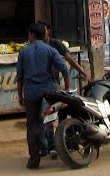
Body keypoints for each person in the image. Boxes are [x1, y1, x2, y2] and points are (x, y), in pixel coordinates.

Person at [17, 22, 69, 170]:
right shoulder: (50, 50)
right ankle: (53, 148)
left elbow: (19, 77)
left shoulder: (23, 52)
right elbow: (64, 69)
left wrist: (19, 95)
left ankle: (34, 160)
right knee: (49, 121)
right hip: (48, 91)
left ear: (32, 35)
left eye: (29, 34)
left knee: (32, 126)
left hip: (31, 93)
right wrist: (67, 88)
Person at [38, 21, 87, 158]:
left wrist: (83, 73)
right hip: (43, 88)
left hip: (54, 85)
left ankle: (64, 142)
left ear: (48, 31)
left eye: (44, 30)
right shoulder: (35, 46)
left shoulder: (55, 45)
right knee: (46, 118)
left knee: (63, 113)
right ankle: (51, 146)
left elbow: (69, 62)